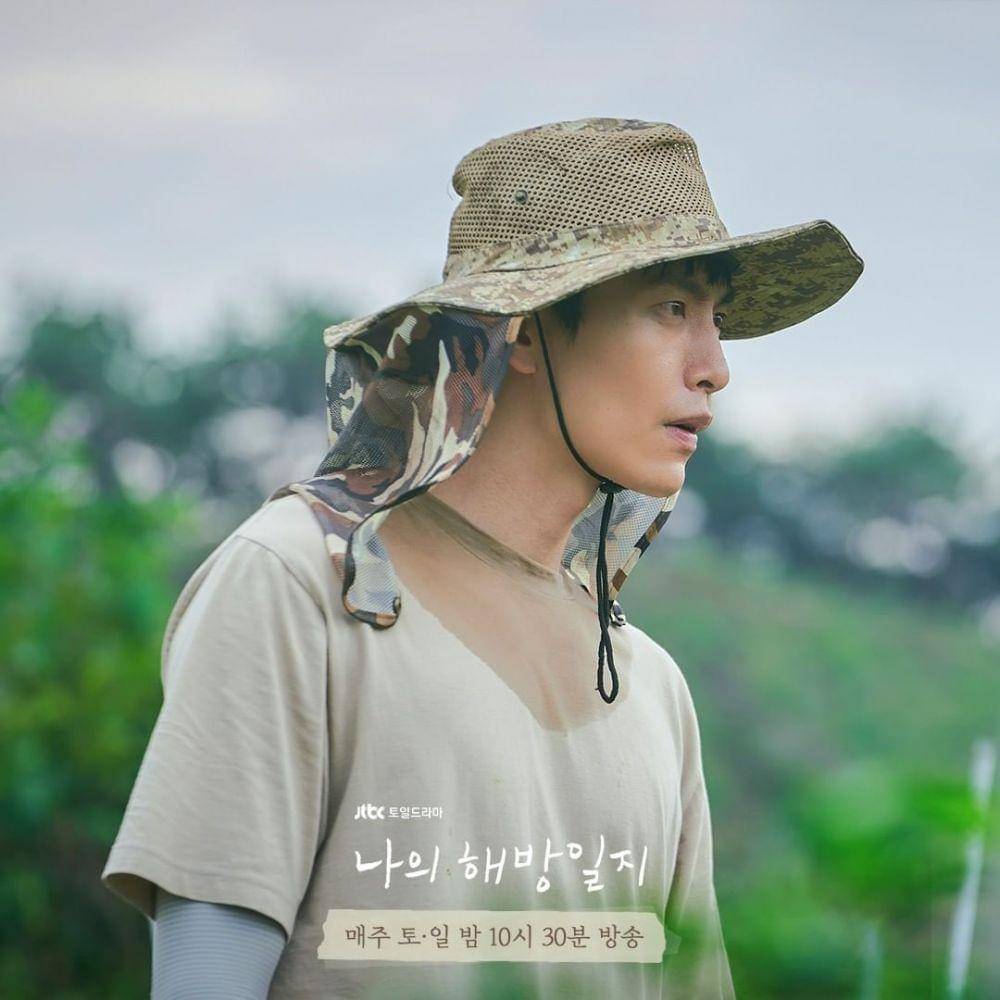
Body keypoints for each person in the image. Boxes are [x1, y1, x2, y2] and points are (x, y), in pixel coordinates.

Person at [101, 117, 864, 998]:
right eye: (670, 308)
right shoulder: (305, 585)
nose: (714, 366)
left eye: (716, 317)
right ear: (526, 330)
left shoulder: (649, 687)